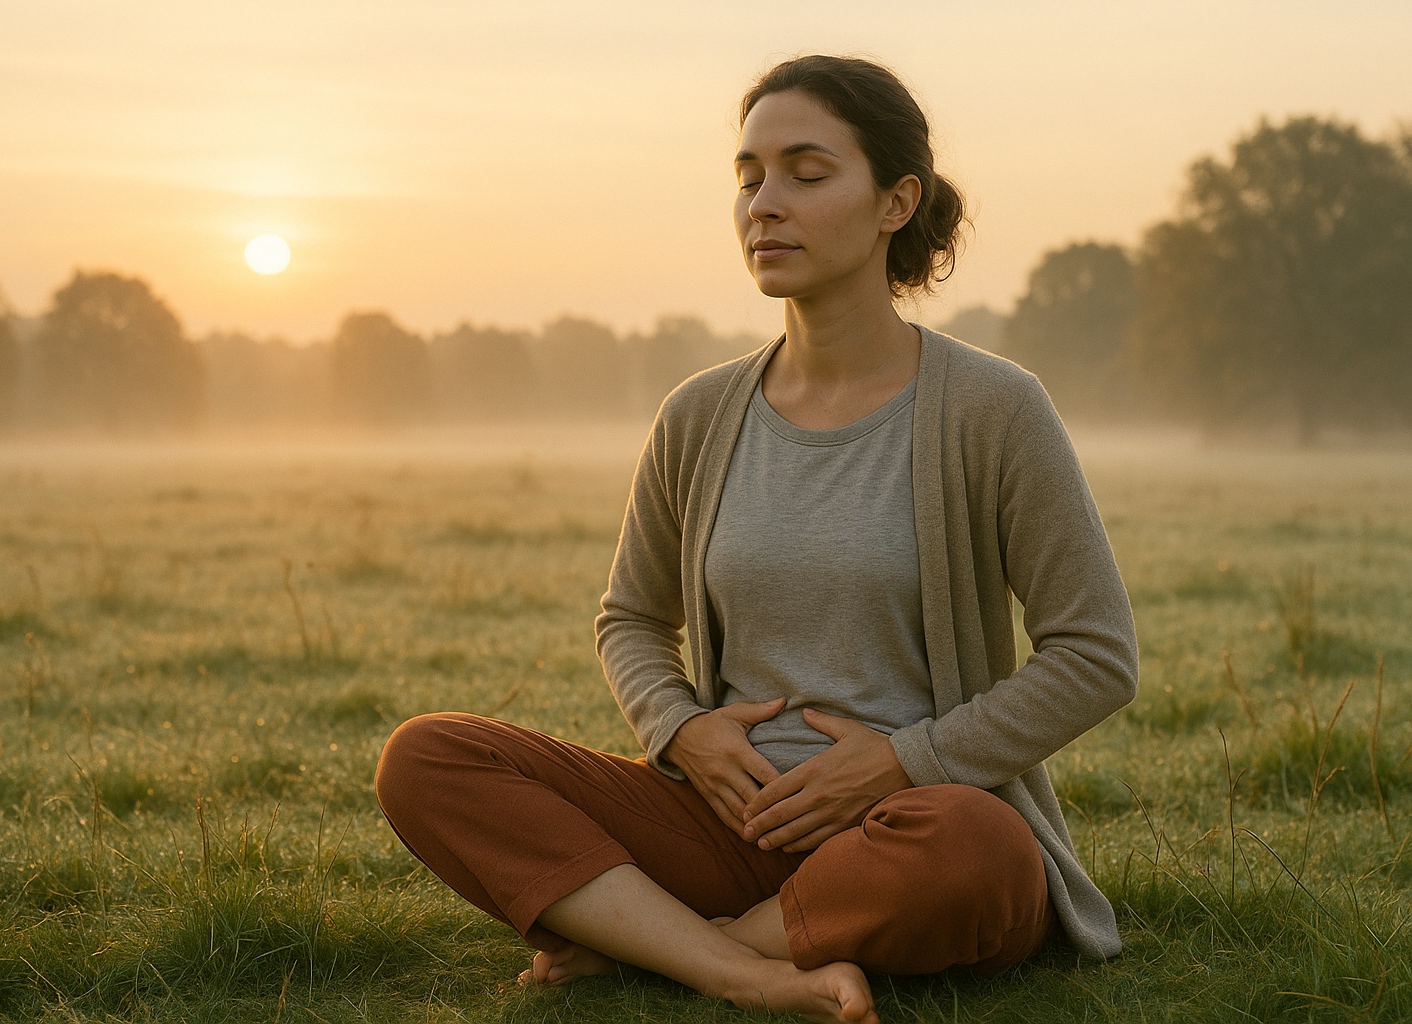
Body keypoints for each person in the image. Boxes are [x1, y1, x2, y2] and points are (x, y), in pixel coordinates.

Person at [376, 54, 1137, 1024]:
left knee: (979, 848)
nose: (763, 204)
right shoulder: (699, 414)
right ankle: (753, 964)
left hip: (908, 825)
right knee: (428, 756)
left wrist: (903, 761)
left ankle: (677, 945)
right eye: (748, 177)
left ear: (896, 201)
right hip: (725, 823)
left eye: (806, 173)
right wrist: (683, 730)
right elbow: (632, 619)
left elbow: (1097, 653)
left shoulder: (992, 408)